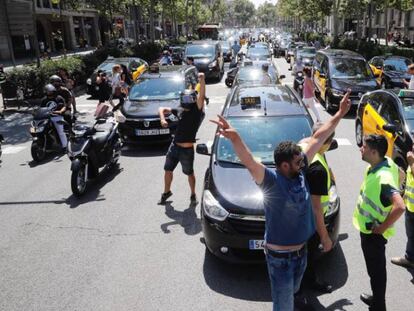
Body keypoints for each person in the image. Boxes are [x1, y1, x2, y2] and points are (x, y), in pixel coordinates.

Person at [210, 91, 352, 311]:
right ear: (284, 166)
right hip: (280, 260)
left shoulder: (301, 168)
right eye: (297, 162)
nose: (302, 163)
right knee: (284, 305)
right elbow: (248, 160)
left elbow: (318, 137)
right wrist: (235, 138)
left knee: (294, 292)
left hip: (301, 254)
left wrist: (340, 113)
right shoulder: (270, 181)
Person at [354, 134, 405, 311]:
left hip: (373, 234)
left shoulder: (383, 178)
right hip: (370, 231)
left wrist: (383, 226)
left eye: (364, 147)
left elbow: (400, 206)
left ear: (374, 152)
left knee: (376, 272)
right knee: (375, 271)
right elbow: (401, 174)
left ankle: (379, 306)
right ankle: (377, 299)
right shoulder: (386, 162)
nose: (361, 148)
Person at [158, 73, 206, 205]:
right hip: (174, 146)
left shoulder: (196, 111)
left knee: (189, 173)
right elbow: (161, 109)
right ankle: (166, 192)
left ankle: (193, 194)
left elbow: (201, 95)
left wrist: (202, 80)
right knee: (168, 170)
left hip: (187, 149)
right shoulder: (179, 109)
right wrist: (162, 119)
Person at [298, 123, 335, 295]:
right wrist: (325, 237)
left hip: (295, 217)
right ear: (327, 143)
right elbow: (316, 209)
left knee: (301, 259)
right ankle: (301, 295)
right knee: (306, 257)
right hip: (309, 223)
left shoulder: (301, 147)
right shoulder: (319, 168)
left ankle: (307, 283)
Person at [391, 148, 414, 269]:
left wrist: (411, 163)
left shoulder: (412, 160)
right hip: (411, 207)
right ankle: (410, 259)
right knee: (411, 235)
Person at [41, 84, 68, 151]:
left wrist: (60, 111)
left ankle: (65, 146)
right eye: (47, 91)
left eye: (50, 91)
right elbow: (41, 108)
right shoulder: (44, 100)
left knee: (60, 132)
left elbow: (64, 106)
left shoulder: (59, 98)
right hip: (47, 117)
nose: (49, 93)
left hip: (57, 116)